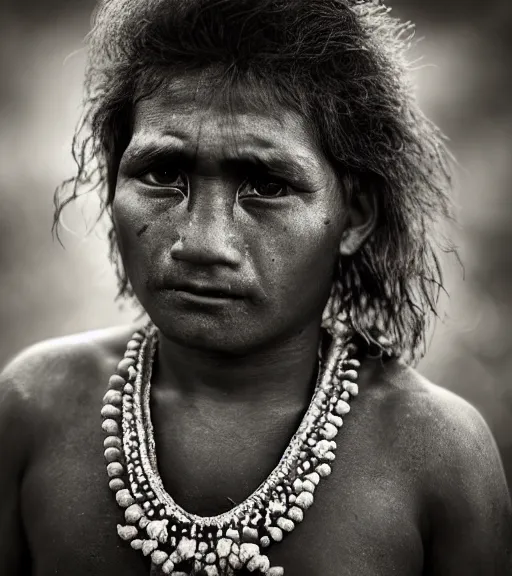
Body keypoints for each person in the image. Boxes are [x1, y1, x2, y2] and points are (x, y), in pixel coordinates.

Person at [1, 0, 511, 574]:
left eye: (266, 184)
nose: (203, 243)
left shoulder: (438, 456)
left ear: (355, 214)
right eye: (163, 175)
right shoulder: (32, 408)